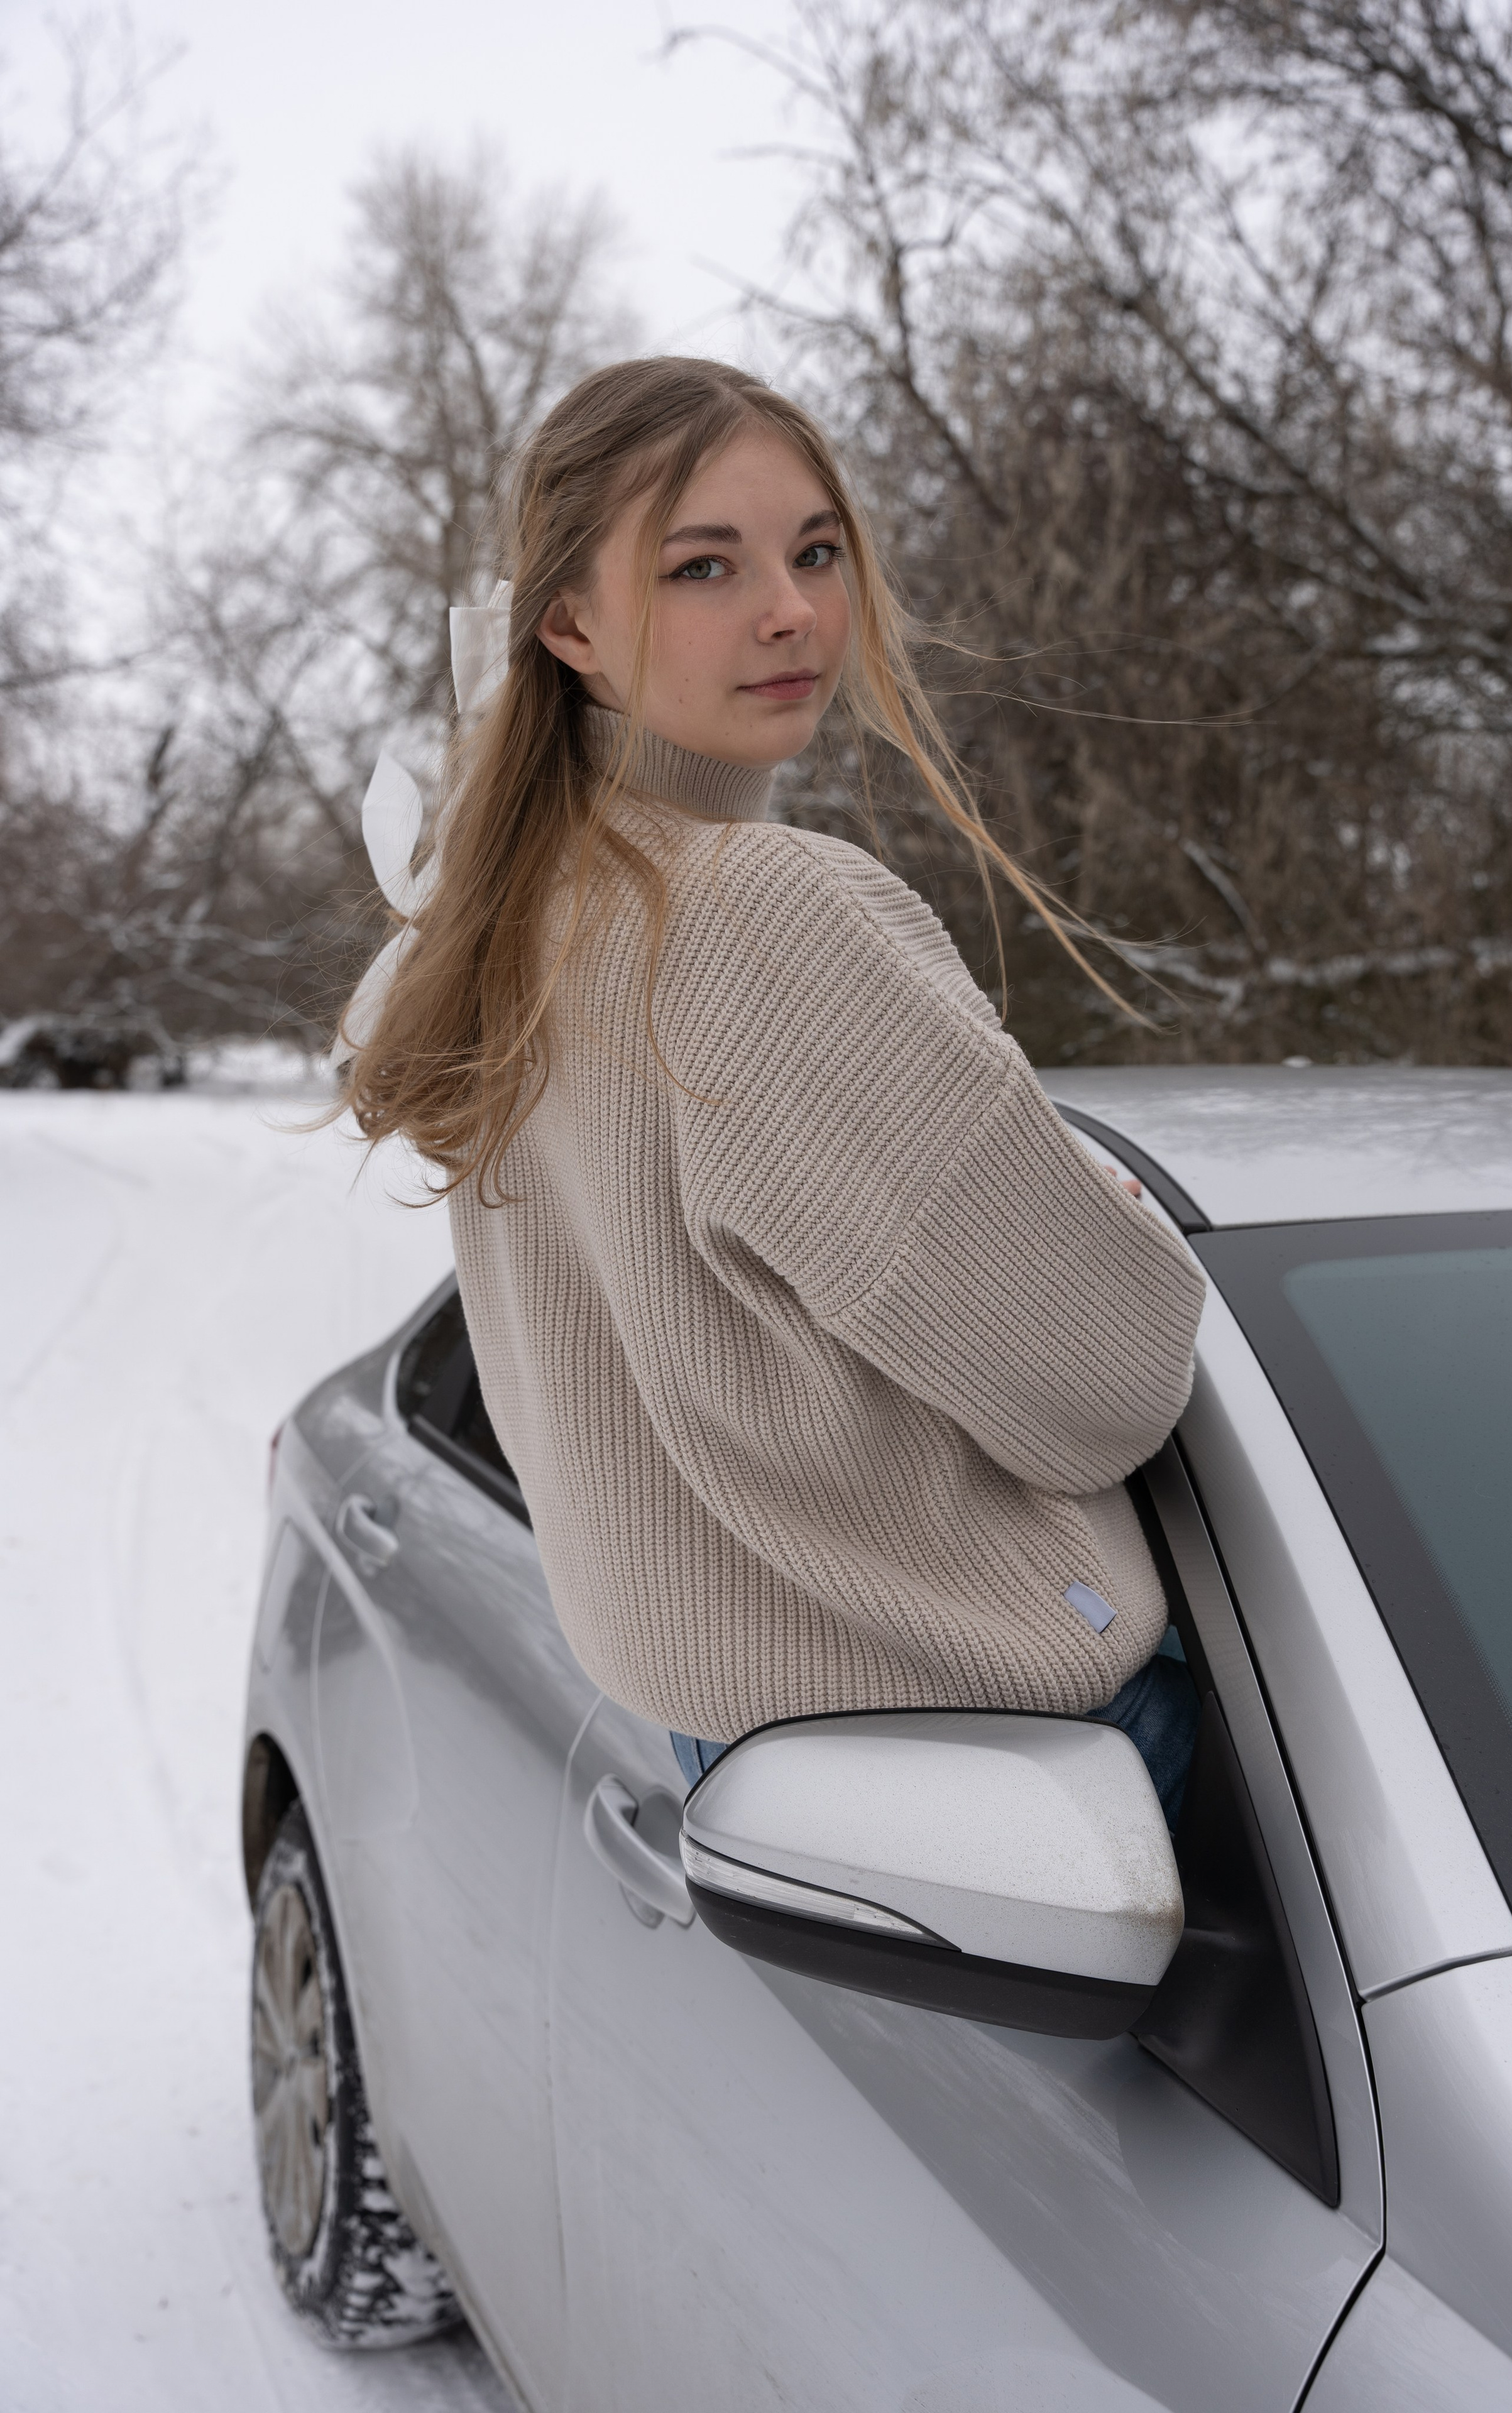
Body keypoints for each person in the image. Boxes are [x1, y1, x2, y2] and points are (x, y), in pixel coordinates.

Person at [344, 357, 1207, 1828]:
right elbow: (1112, 1377)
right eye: (703, 567)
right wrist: (1095, 1229)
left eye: (815, 551)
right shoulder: (754, 915)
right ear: (569, 623)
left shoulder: (520, 924)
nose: (790, 611)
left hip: (756, 1755)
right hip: (1024, 1760)